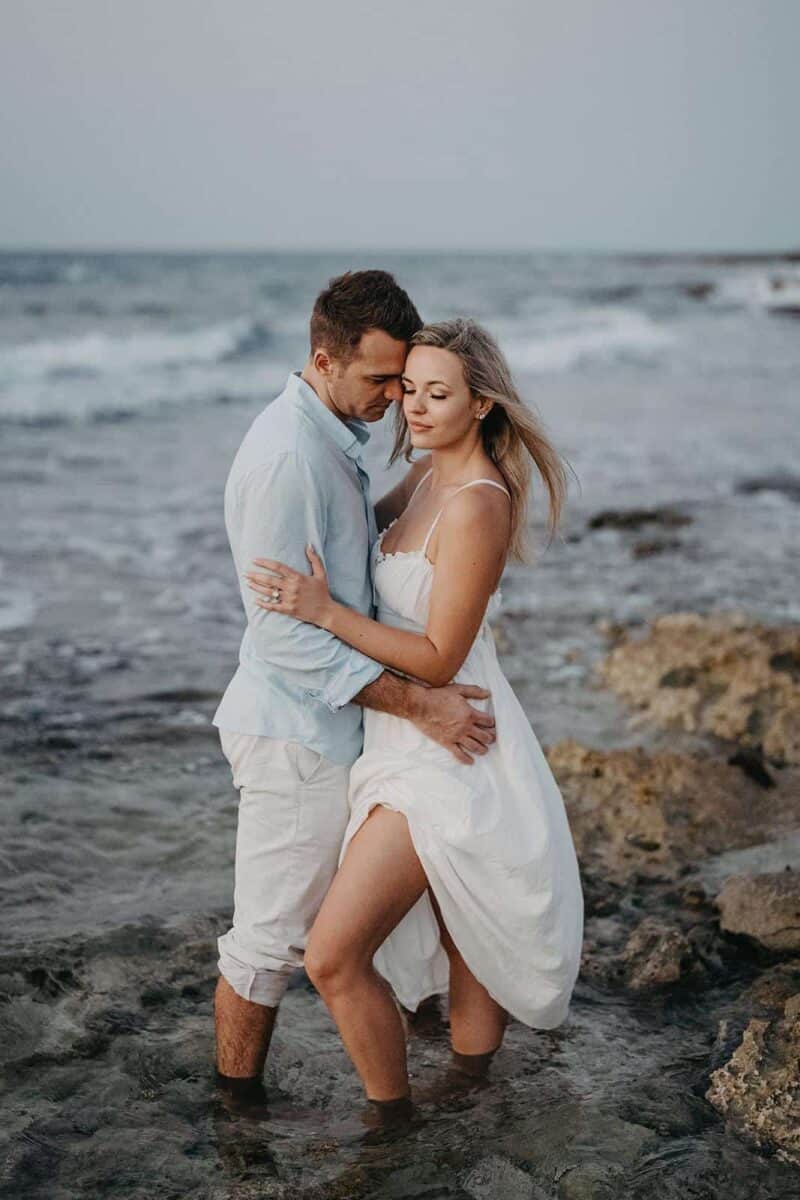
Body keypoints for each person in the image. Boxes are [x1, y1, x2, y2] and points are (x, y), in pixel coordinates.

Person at [245, 318, 585, 1118]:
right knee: (461, 921)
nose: (417, 408)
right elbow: (361, 537)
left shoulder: (477, 504)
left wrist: (323, 613)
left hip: (448, 739)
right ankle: (471, 1090)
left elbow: (436, 655)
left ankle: (391, 1123)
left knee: (331, 957)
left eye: (439, 394)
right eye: (408, 390)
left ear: (483, 406)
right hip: (401, 737)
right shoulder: (427, 478)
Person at [212, 274, 498, 1109]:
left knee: (423, 916)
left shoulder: (333, 437)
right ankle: (236, 1116)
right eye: (380, 381)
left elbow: (361, 555)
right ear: (323, 358)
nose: (392, 400)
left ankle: (464, 1084)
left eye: (406, 382)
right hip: (298, 737)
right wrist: (421, 705)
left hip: (345, 735)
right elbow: (282, 635)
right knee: (266, 948)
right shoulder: (288, 458)